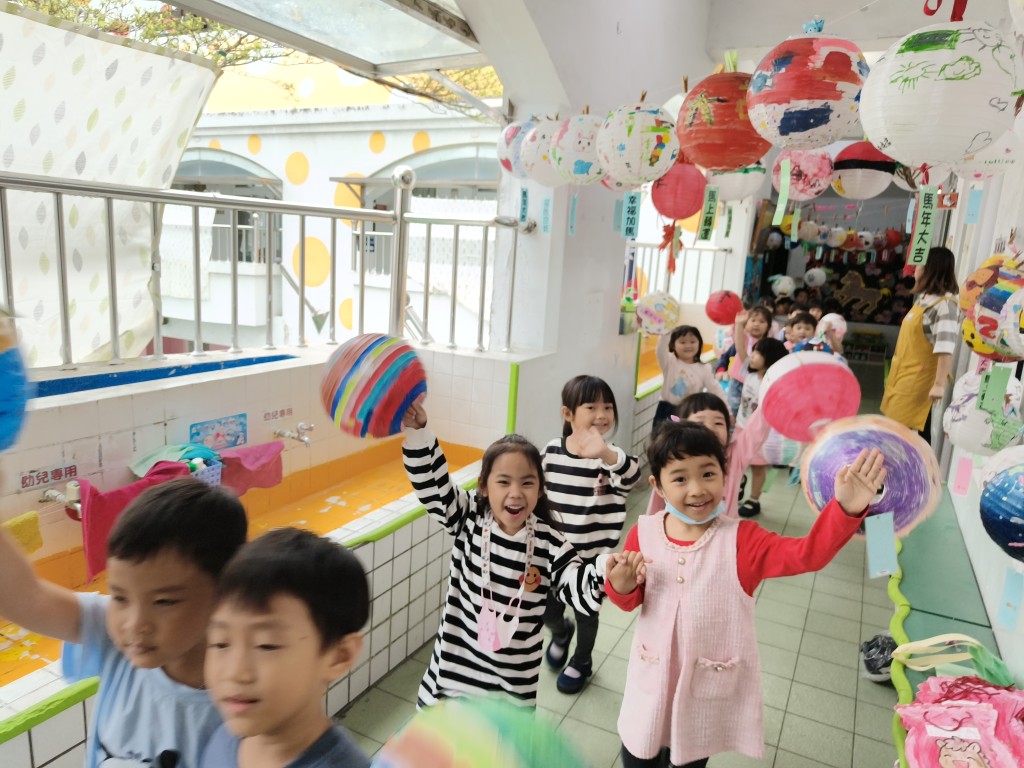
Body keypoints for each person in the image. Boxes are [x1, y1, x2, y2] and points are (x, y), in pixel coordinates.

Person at [606, 421, 886, 768]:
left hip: (704, 687)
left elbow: (807, 555)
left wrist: (845, 509)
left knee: (690, 757)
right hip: (651, 681)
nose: (697, 489)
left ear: (725, 476)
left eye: (708, 474)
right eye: (680, 478)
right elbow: (629, 600)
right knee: (638, 754)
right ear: (658, 486)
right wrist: (621, 585)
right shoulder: (644, 533)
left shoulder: (742, 540)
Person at [0, 477, 248, 768]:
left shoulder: (249, 702)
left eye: (164, 602)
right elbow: (28, 599)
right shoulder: (112, 634)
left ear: (224, 593)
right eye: (119, 597)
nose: (134, 624)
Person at [401, 399, 604, 708]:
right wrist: (419, 434)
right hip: (453, 675)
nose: (515, 493)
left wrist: (606, 573)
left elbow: (577, 586)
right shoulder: (468, 517)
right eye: (503, 482)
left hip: (512, 689)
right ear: (483, 486)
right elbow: (434, 487)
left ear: (540, 490)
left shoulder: (549, 542)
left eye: (527, 483)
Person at [201, 528, 370, 768]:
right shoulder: (224, 736)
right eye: (220, 643)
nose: (235, 672)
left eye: (266, 645)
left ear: (339, 656)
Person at [541, 375, 642, 693]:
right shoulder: (551, 451)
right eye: (591, 407)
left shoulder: (612, 459)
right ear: (568, 413)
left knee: (587, 613)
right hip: (552, 557)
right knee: (547, 610)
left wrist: (607, 455)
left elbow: (632, 475)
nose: (602, 414)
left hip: (592, 561)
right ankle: (560, 632)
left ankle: (581, 660)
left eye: (608, 407)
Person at [645, 392, 772, 519]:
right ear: (682, 428)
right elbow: (657, 505)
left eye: (718, 423)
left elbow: (756, 429)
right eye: (700, 422)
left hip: (725, 528)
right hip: (681, 529)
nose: (711, 428)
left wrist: (771, 397)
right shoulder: (673, 456)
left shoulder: (735, 456)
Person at [881, 247, 960, 442]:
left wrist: (939, 385)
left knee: (908, 435)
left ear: (931, 269)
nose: (915, 269)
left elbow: (945, 348)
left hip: (919, 381)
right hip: (903, 375)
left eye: (920, 265)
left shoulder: (945, 305)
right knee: (897, 431)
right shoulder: (924, 299)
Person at [734, 312, 789, 517]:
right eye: (754, 351)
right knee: (737, 462)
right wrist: (739, 326)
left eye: (757, 353)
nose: (752, 356)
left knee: (758, 467)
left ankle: (754, 499)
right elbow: (740, 349)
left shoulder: (774, 383)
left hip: (762, 434)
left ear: (770, 359)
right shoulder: (748, 372)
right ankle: (738, 484)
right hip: (741, 427)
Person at [653, 326, 726, 429]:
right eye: (682, 342)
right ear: (673, 345)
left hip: (689, 412)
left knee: (685, 438)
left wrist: (727, 410)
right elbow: (660, 351)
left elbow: (715, 389)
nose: (688, 345)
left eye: (692, 342)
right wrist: (665, 334)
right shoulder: (670, 362)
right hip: (666, 409)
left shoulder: (704, 368)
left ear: (699, 343)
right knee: (661, 437)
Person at [724, 306, 773, 417]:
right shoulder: (744, 337)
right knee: (734, 406)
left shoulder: (767, 344)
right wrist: (739, 324)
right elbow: (740, 346)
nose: (756, 324)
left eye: (762, 321)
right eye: (753, 320)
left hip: (755, 383)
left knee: (749, 411)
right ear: (746, 323)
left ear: (768, 326)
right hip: (737, 381)